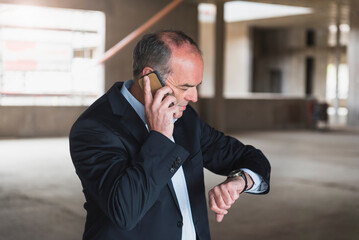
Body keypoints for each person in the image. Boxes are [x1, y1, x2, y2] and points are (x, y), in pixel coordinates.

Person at [69, 30, 271, 240]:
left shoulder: (185, 118)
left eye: (196, 86)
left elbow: (249, 156)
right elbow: (125, 211)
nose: (193, 97)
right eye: (185, 86)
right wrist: (161, 136)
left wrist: (240, 180)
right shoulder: (94, 128)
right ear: (148, 78)